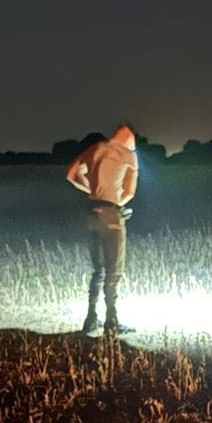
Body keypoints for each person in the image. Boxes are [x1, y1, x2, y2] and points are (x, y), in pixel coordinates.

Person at [65, 125, 138, 337]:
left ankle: (90, 319)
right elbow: (130, 192)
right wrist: (116, 204)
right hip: (111, 216)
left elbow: (71, 175)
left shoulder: (95, 148)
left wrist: (93, 191)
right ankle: (111, 322)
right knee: (113, 272)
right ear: (129, 140)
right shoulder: (128, 155)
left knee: (98, 270)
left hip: (91, 213)